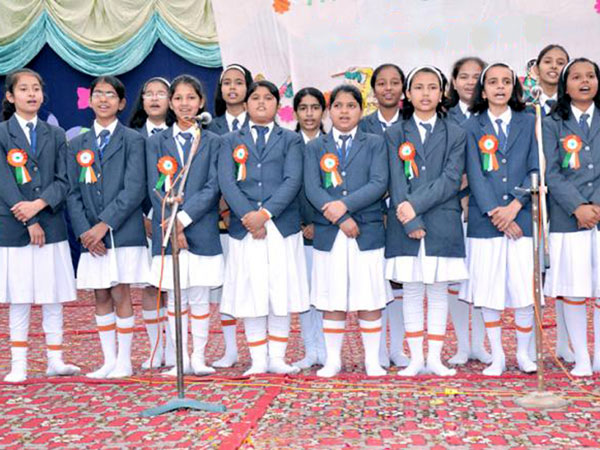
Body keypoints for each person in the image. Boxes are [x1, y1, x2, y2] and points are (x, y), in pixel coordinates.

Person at [219, 80, 309, 376]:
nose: (261, 102)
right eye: (255, 97)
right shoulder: (229, 140)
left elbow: (292, 180)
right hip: (245, 228)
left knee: (279, 292)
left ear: (277, 105)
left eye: (268, 98)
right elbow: (227, 182)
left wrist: (265, 215)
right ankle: (258, 359)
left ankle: (278, 358)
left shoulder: (291, 139)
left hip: (280, 227)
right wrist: (249, 216)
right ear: (245, 104)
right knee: (252, 292)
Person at [385, 66, 468, 377]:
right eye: (418, 87)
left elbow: (451, 180)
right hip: (403, 223)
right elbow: (395, 181)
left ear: (442, 93)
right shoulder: (393, 133)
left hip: (442, 221)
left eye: (432, 87)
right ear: (408, 93)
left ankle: (434, 358)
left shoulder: (456, 133)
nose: (425, 93)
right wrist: (409, 219)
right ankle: (415, 358)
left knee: (437, 290)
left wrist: (414, 207)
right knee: (411, 290)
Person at [0, 68, 80, 382]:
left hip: (51, 224)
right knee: (19, 297)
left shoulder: (56, 135)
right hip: (14, 227)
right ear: (10, 96)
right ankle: (18, 363)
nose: (31, 94)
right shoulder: (2, 133)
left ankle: (55, 359)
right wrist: (29, 218)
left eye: (36, 88)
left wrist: (39, 205)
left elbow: (64, 179)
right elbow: (5, 183)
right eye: (24, 89)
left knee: (52, 294)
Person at [305, 84, 390, 377]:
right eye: (338, 106)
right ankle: (333, 361)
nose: (344, 111)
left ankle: (372, 361)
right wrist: (340, 218)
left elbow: (379, 183)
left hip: (367, 231)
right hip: (329, 233)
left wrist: (344, 206)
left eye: (351, 106)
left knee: (369, 296)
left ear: (361, 110)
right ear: (329, 111)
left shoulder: (375, 143)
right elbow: (312, 188)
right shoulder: (315, 146)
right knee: (332, 297)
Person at [67, 76, 148, 379]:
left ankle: (124, 361)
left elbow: (134, 188)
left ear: (122, 103)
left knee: (120, 292)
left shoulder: (133, 140)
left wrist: (104, 224)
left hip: (122, 232)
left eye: (111, 95)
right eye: (98, 94)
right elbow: (72, 193)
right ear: (89, 100)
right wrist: (86, 232)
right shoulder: (77, 144)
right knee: (100, 294)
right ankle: (108, 361)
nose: (104, 99)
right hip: (91, 236)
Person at [462, 63, 539, 376]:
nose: (500, 87)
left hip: (522, 219)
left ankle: (523, 354)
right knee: (489, 290)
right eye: (492, 82)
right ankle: (498, 356)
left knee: (524, 290)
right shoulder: (471, 126)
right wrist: (496, 212)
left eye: (506, 81)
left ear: (513, 88)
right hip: (486, 222)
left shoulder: (529, 121)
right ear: (483, 91)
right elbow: (474, 173)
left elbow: (535, 168)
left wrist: (516, 206)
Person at [543, 58, 600, 376]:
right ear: (565, 86)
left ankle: (599, 355)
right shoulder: (552, 123)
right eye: (576, 77)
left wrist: (596, 206)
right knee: (575, 289)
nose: (585, 82)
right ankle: (582, 358)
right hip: (568, 219)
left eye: (590, 76)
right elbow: (551, 172)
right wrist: (578, 206)